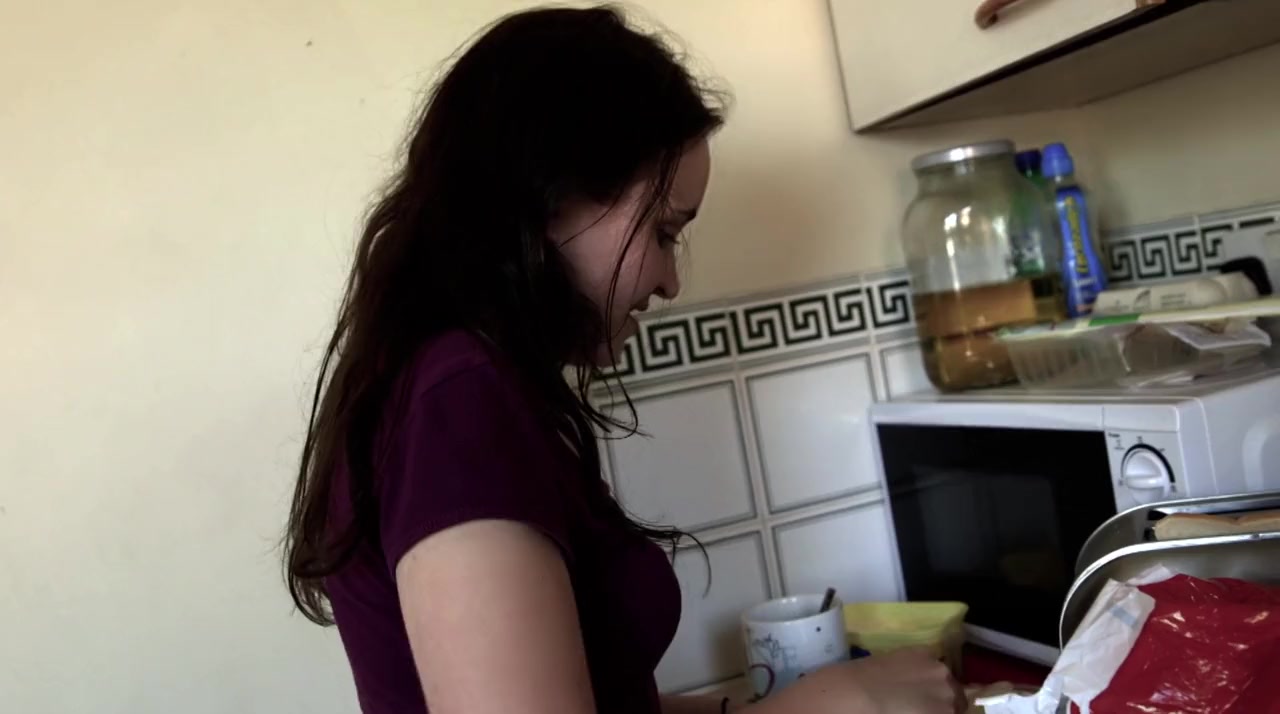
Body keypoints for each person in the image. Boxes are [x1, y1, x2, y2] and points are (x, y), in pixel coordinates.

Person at [283, 5, 963, 714]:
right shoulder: (456, 402)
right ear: (549, 196)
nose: (670, 282)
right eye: (665, 232)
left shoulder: (454, 387)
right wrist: (837, 704)